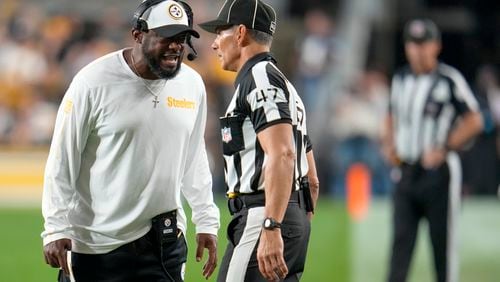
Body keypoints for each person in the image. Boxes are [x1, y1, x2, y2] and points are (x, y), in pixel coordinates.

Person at [41, 1, 220, 281]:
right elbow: (62, 160)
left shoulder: (192, 84)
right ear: (138, 34)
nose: (176, 47)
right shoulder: (92, 82)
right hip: (97, 245)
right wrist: (56, 228)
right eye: (166, 37)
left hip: (165, 242)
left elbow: (193, 154)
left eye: (182, 39)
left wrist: (206, 218)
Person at [199, 0, 319, 281]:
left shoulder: (259, 78)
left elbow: (283, 154)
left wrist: (272, 224)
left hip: (262, 212)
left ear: (240, 34)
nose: (215, 44)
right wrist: (296, 223)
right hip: (288, 212)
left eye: (220, 32)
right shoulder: (285, 85)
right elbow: (311, 180)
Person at [383, 19, 483, 282]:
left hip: (439, 173)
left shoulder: (448, 79)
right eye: (413, 44)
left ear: (436, 46)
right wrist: (389, 145)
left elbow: (474, 119)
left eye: (423, 43)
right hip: (405, 171)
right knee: (399, 248)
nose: (418, 50)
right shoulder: (400, 78)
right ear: (406, 47)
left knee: (442, 246)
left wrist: (445, 147)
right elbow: (391, 115)